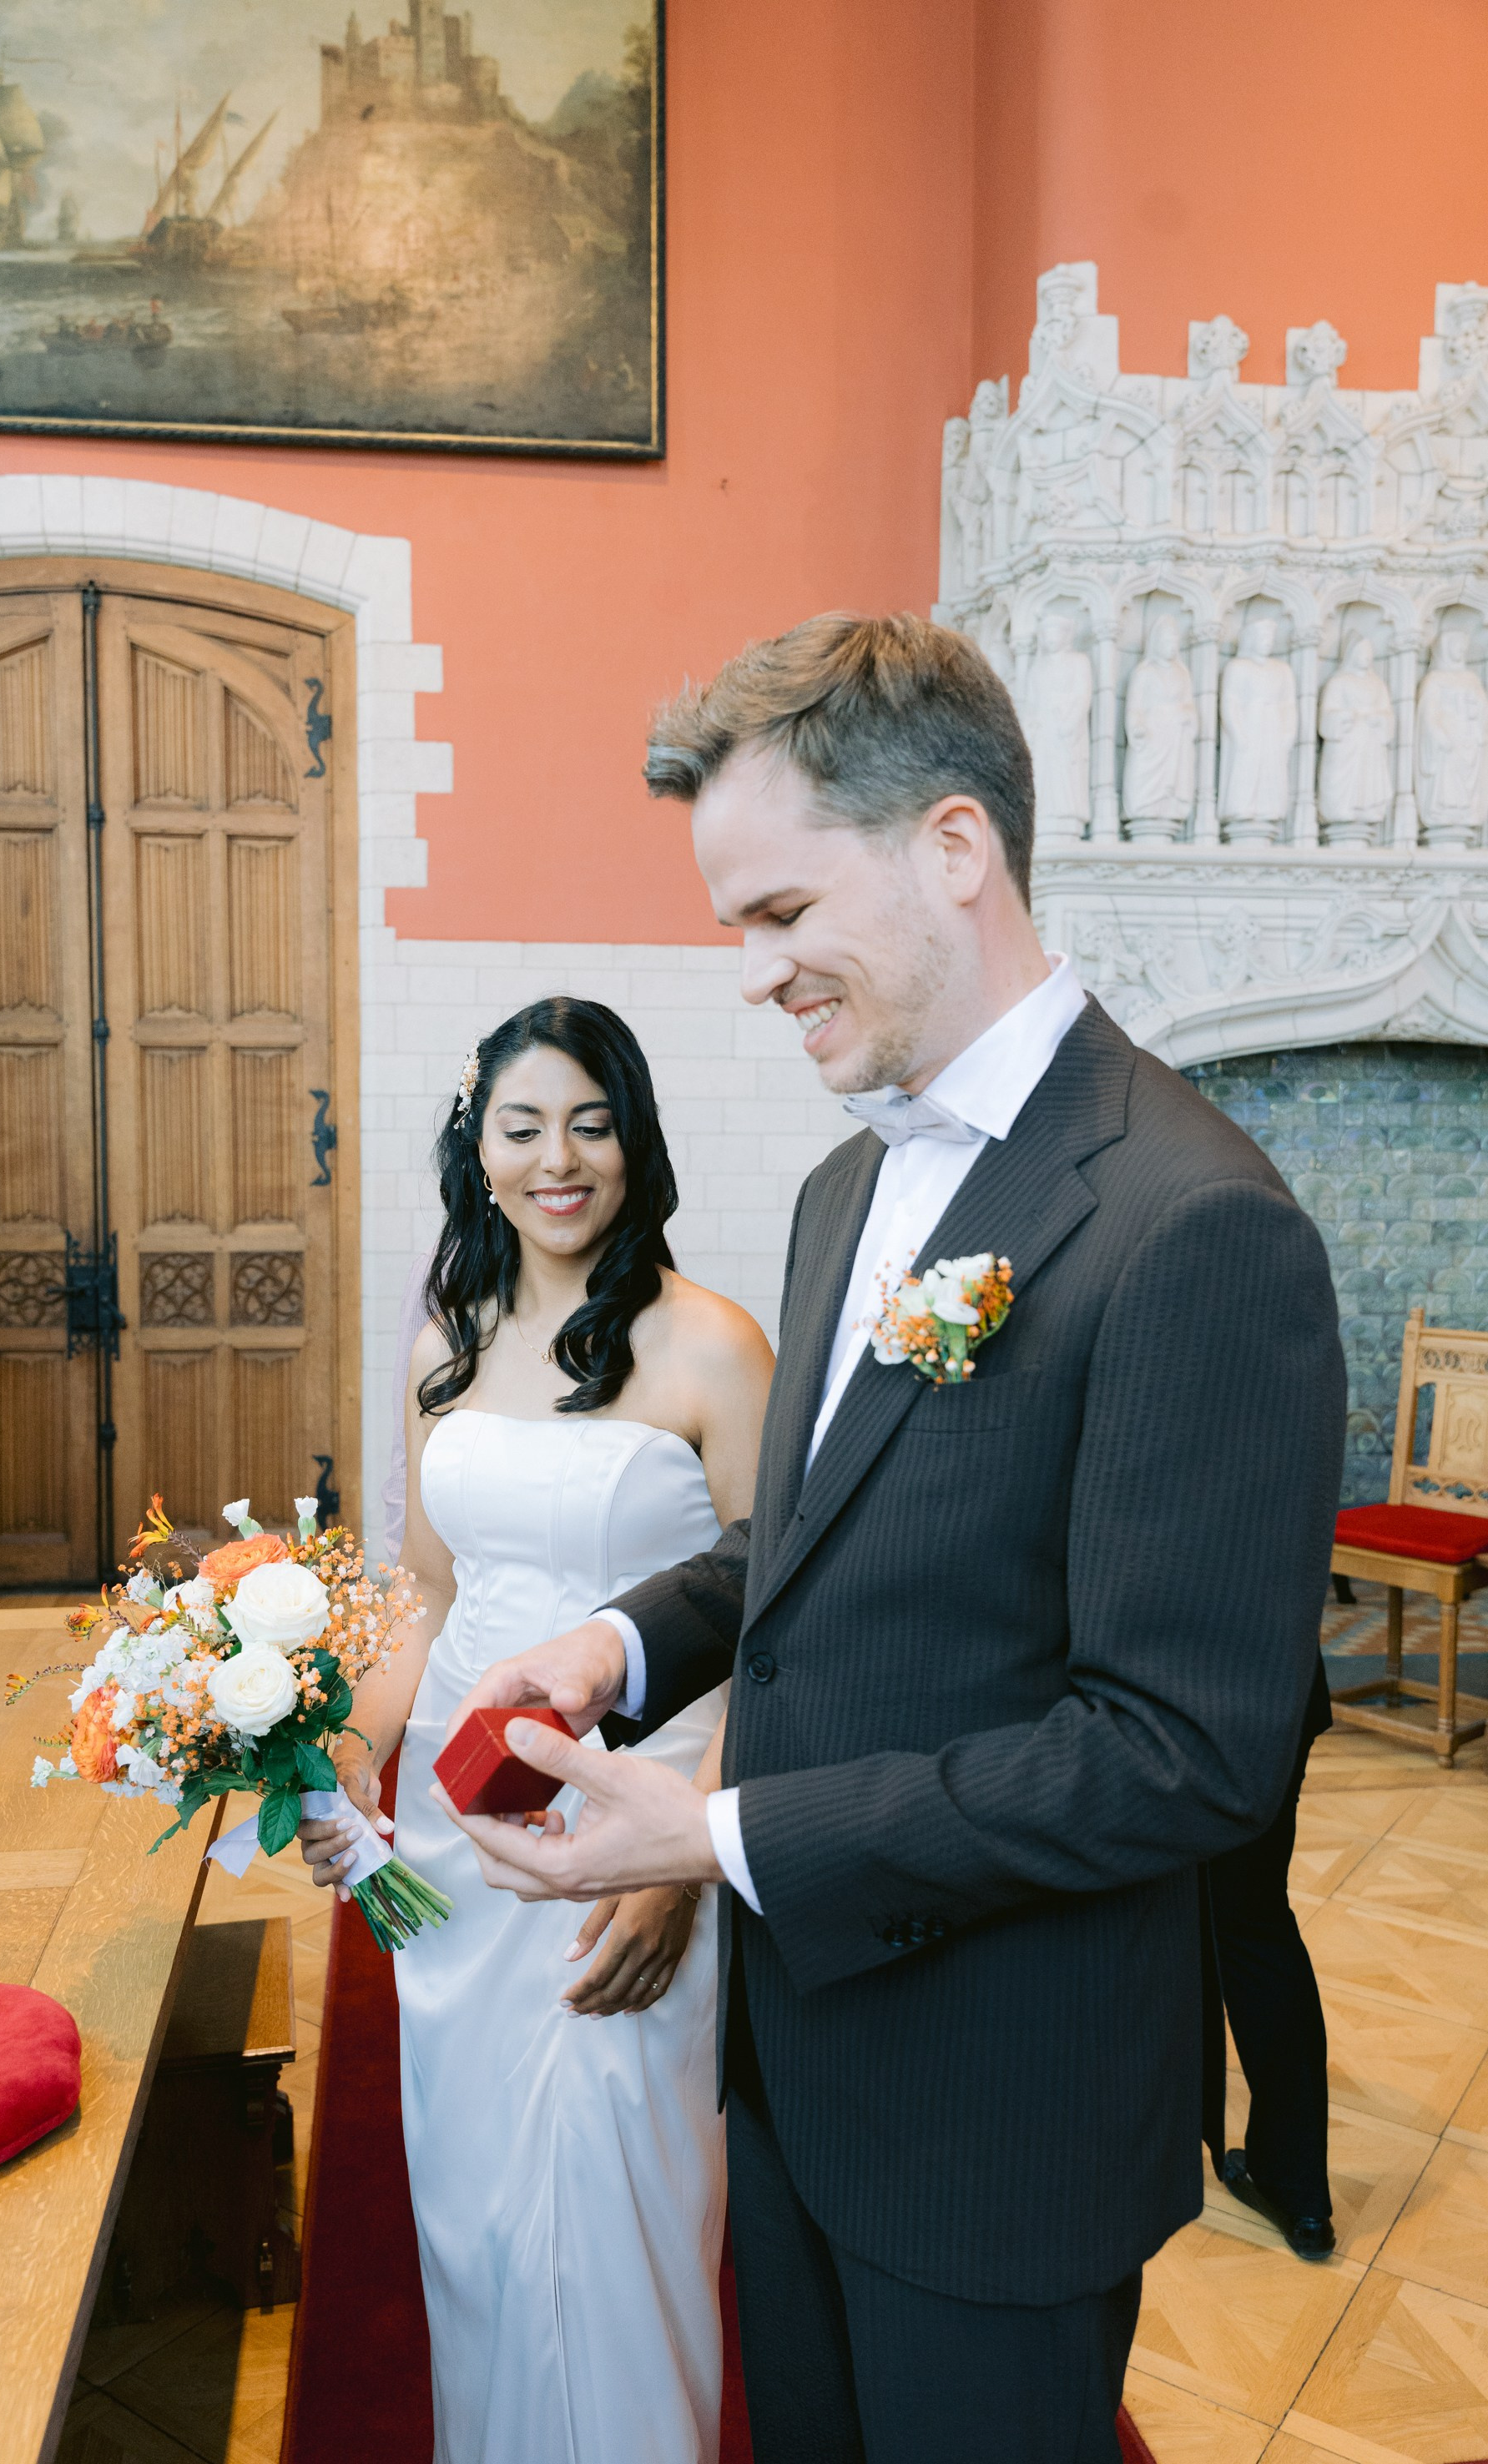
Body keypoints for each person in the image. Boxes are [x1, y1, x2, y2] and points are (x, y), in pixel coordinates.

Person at [436, 616, 1348, 2464]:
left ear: (953, 847)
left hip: (998, 2115)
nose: (755, 975)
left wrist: (710, 1834)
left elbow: (1183, 1755)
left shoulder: (1194, 1224)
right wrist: (619, 1648)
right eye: (736, 930)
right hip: (801, 2060)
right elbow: (828, 1539)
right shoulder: (857, 1179)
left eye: (779, 915)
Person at [299, 996, 773, 2464]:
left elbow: (779, 1626)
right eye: (522, 1125)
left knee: (621, 2196)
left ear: (633, 1135)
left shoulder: (712, 1344)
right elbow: (426, 1588)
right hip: (455, 1842)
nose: (557, 1157)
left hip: (636, 1812)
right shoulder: (446, 1326)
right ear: (478, 1145)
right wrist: (345, 1749)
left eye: (589, 1119)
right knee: (477, 2204)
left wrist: (674, 1859)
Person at [1203, 1654, 1336, 2260]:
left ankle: (1139, 2148)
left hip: (1175, 1689)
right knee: (1253, 1920)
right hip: (1276, 1677)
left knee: (1221, 1918)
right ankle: (1297, 2186)